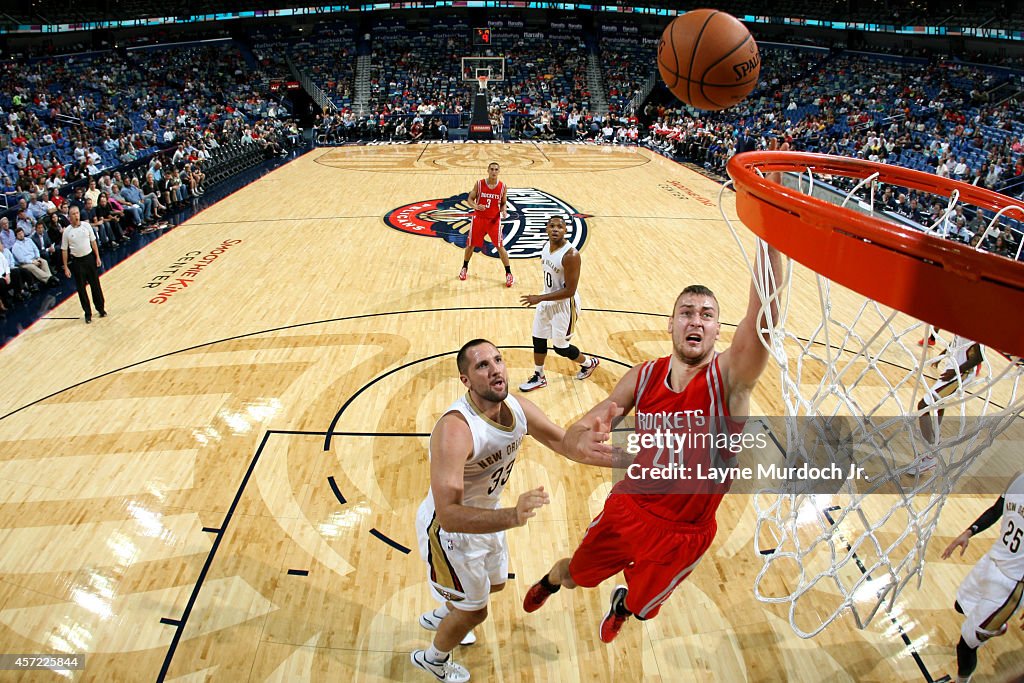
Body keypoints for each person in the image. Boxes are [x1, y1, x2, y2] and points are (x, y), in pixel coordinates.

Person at [522, 245, 782, 643]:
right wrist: (579, 438)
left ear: (717, 330)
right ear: (671, 324)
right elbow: (584, 424)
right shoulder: (643, 376)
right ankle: (550, 581)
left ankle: (622, 605)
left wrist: (771, 231)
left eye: (707, 315)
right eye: (687, 313)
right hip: (628, 510)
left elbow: (764, 318)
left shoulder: (730, 380)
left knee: (642, 608)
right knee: (575, 573)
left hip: (684, 533)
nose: (696, 320)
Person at [411, 339, 613, 683]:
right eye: (482, 366)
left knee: (495, 585)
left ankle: (448, 610)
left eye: (498, 360)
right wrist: (512, 516)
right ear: (466, 380)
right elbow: (448, 514)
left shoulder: (517, 407)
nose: (496, 370)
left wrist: (623, 459)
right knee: (476, 611)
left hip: (487, 518)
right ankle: (433, 658)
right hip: (451, 532)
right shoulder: (456, 430)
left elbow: (562, 443)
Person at [940, 471, 1024, 683]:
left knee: (966, 645)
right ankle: (995, 624)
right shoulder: (1019, 478)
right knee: (960, 606)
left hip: (1012, 584)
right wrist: (969, 532)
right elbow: (997, 510)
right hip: (992, 560)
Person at [518, 215, 599, 391]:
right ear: (546, 228)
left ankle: (588, 363)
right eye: (552, 226)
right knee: (538, 339)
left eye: (559, 227)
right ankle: (539, 376)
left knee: (561, 348)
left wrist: (538, 299)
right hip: (547, 299)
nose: (555, 229)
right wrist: (542, 298)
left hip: (565, 305)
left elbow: (569, 290)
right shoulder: (546, 246)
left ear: (566, 230)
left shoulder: (571, 255)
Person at [910, 335, 986, 473]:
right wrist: (943, 353)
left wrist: (956, 372)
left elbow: (979, 357)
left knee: (923, 406)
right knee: (940, 402)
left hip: (960, 373)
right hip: (952, 367)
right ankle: (936, 438)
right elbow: (958, 341)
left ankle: (930, 456)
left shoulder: (977, 326)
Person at [459, 162, 514, 287]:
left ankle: (509, 273)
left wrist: (504, 210)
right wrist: (476, 206)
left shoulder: (503, 187)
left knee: (500, 246)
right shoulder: (479, 184)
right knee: (471, 245)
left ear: (499, 171)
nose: (494, 172)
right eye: (492, 169)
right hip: (479, 219)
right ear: (488, 170)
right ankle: (464, 268)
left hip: (493, 221)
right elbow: (469, 199)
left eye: (496, 170)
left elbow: (503, 203)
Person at [61, 206, 106, 324]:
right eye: (73, 214)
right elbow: (64, 250)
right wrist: (65, 266)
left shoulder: (87, 226)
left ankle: (101, 309)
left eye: (77, 213)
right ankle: (87, 313)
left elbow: (93, 241)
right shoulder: (67, 232)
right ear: (69, 217)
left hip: (89, 258)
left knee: (95, 285)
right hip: (77, 262)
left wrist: (97, 257)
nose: (76, 216)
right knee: (81, 289)